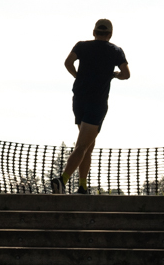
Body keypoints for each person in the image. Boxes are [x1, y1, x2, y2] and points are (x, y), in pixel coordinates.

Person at [52, 19, 130, 193]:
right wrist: (115, 75)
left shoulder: (81, 46)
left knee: (88, 145)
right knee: (82, 146)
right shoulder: (115, 51)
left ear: (94, 32)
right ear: (110, 34)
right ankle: (62, 180)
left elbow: (67, 63)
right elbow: (126, 74)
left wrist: (78, 76)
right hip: (97, 102)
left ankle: (82, 186)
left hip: (79, 100)